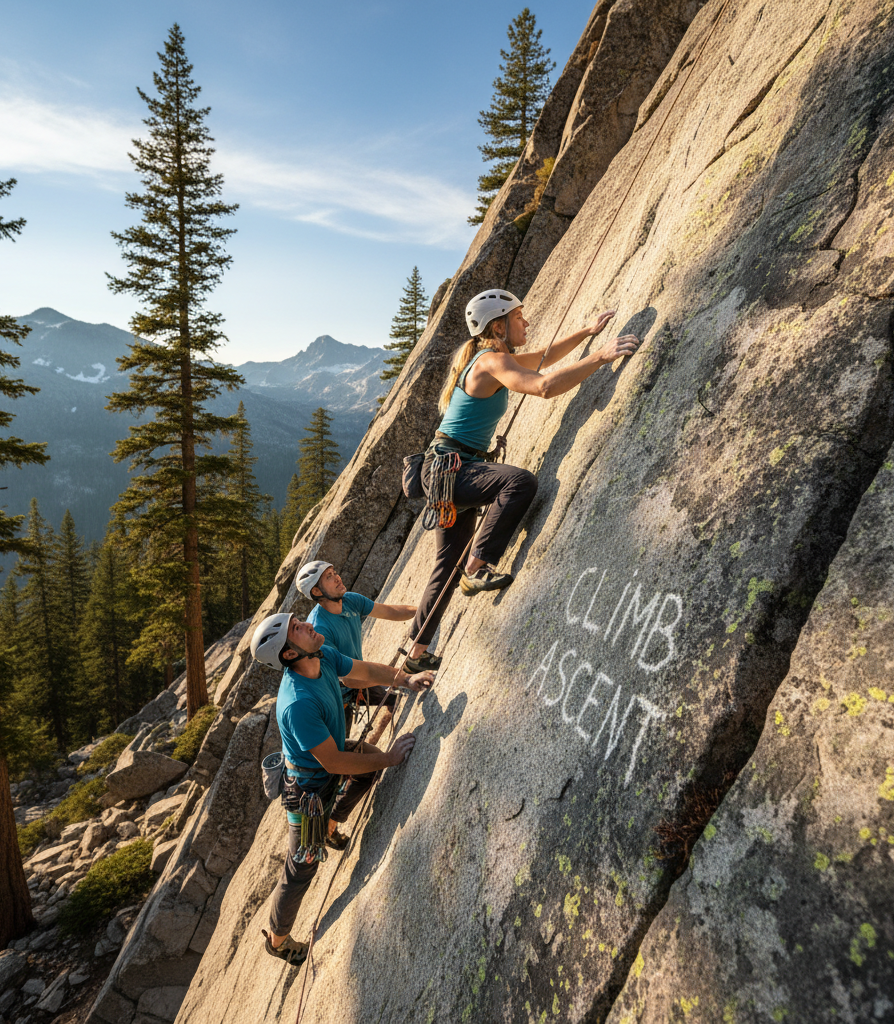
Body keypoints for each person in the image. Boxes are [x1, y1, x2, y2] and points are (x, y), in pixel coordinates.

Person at [404, 289, 640, 673]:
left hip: (444, 471)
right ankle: (477, 569)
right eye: (519, 317)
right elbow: (544, 386)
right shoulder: (491, 361)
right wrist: (601, 356)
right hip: (451, 470)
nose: (526, 322)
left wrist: (586, 332)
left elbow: (544, 358)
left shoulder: (491, 359)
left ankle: (415, 653)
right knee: (519, 483)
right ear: (499, 325)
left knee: (445, 564)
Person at [252, 612, 434, 967]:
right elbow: (334, 764)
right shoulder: (297, 703)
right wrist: (390, 760)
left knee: (366, 769)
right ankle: (277, 939)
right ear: (289, 654)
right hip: (309, 793)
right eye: (297, 629)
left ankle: (332, 827)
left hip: (328, 761)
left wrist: (405, 680)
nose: (307, 625)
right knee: (302, 865)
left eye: (299, 621)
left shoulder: (319, 656)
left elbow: (364, 671)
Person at [297, 560, 415, 746]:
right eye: (329, 577)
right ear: (317, 592)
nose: (337, 577)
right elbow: (348, 679)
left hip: (355, 680)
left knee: (396, 696)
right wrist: (392, 677)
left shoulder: (350, 600)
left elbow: (389, 611)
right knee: (339, 750)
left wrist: (423, 609)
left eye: (334, 572)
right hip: (334, 698)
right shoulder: (320, 629)